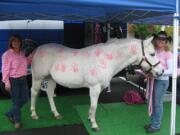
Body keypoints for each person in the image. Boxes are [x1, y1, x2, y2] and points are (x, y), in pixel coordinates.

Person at [144, 31, 173, 133]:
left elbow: (171, 70)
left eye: (164, 39)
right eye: (159, 39)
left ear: (166, 42)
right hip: (153, 80)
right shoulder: (154, 51)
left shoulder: (168, 53)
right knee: (151, 102)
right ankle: (153, 122)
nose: (161, 41)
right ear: (156, 40)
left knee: (157, 103)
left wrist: (159, 73)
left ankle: (156, 125)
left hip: (162, 82)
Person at [1, 34, 30, 129]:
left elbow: (25, 63)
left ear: (20, 42)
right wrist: (6, 83)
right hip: (14, 81)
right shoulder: (7, 54)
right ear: (11, 43)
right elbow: (5, 70)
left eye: (18, 41)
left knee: (25, 99)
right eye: (14, 41)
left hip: (23, 80)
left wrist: (32, 57)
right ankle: (17, 121)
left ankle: (10, 113)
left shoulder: (22, 53)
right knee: (16, 102)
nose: (16, 43)